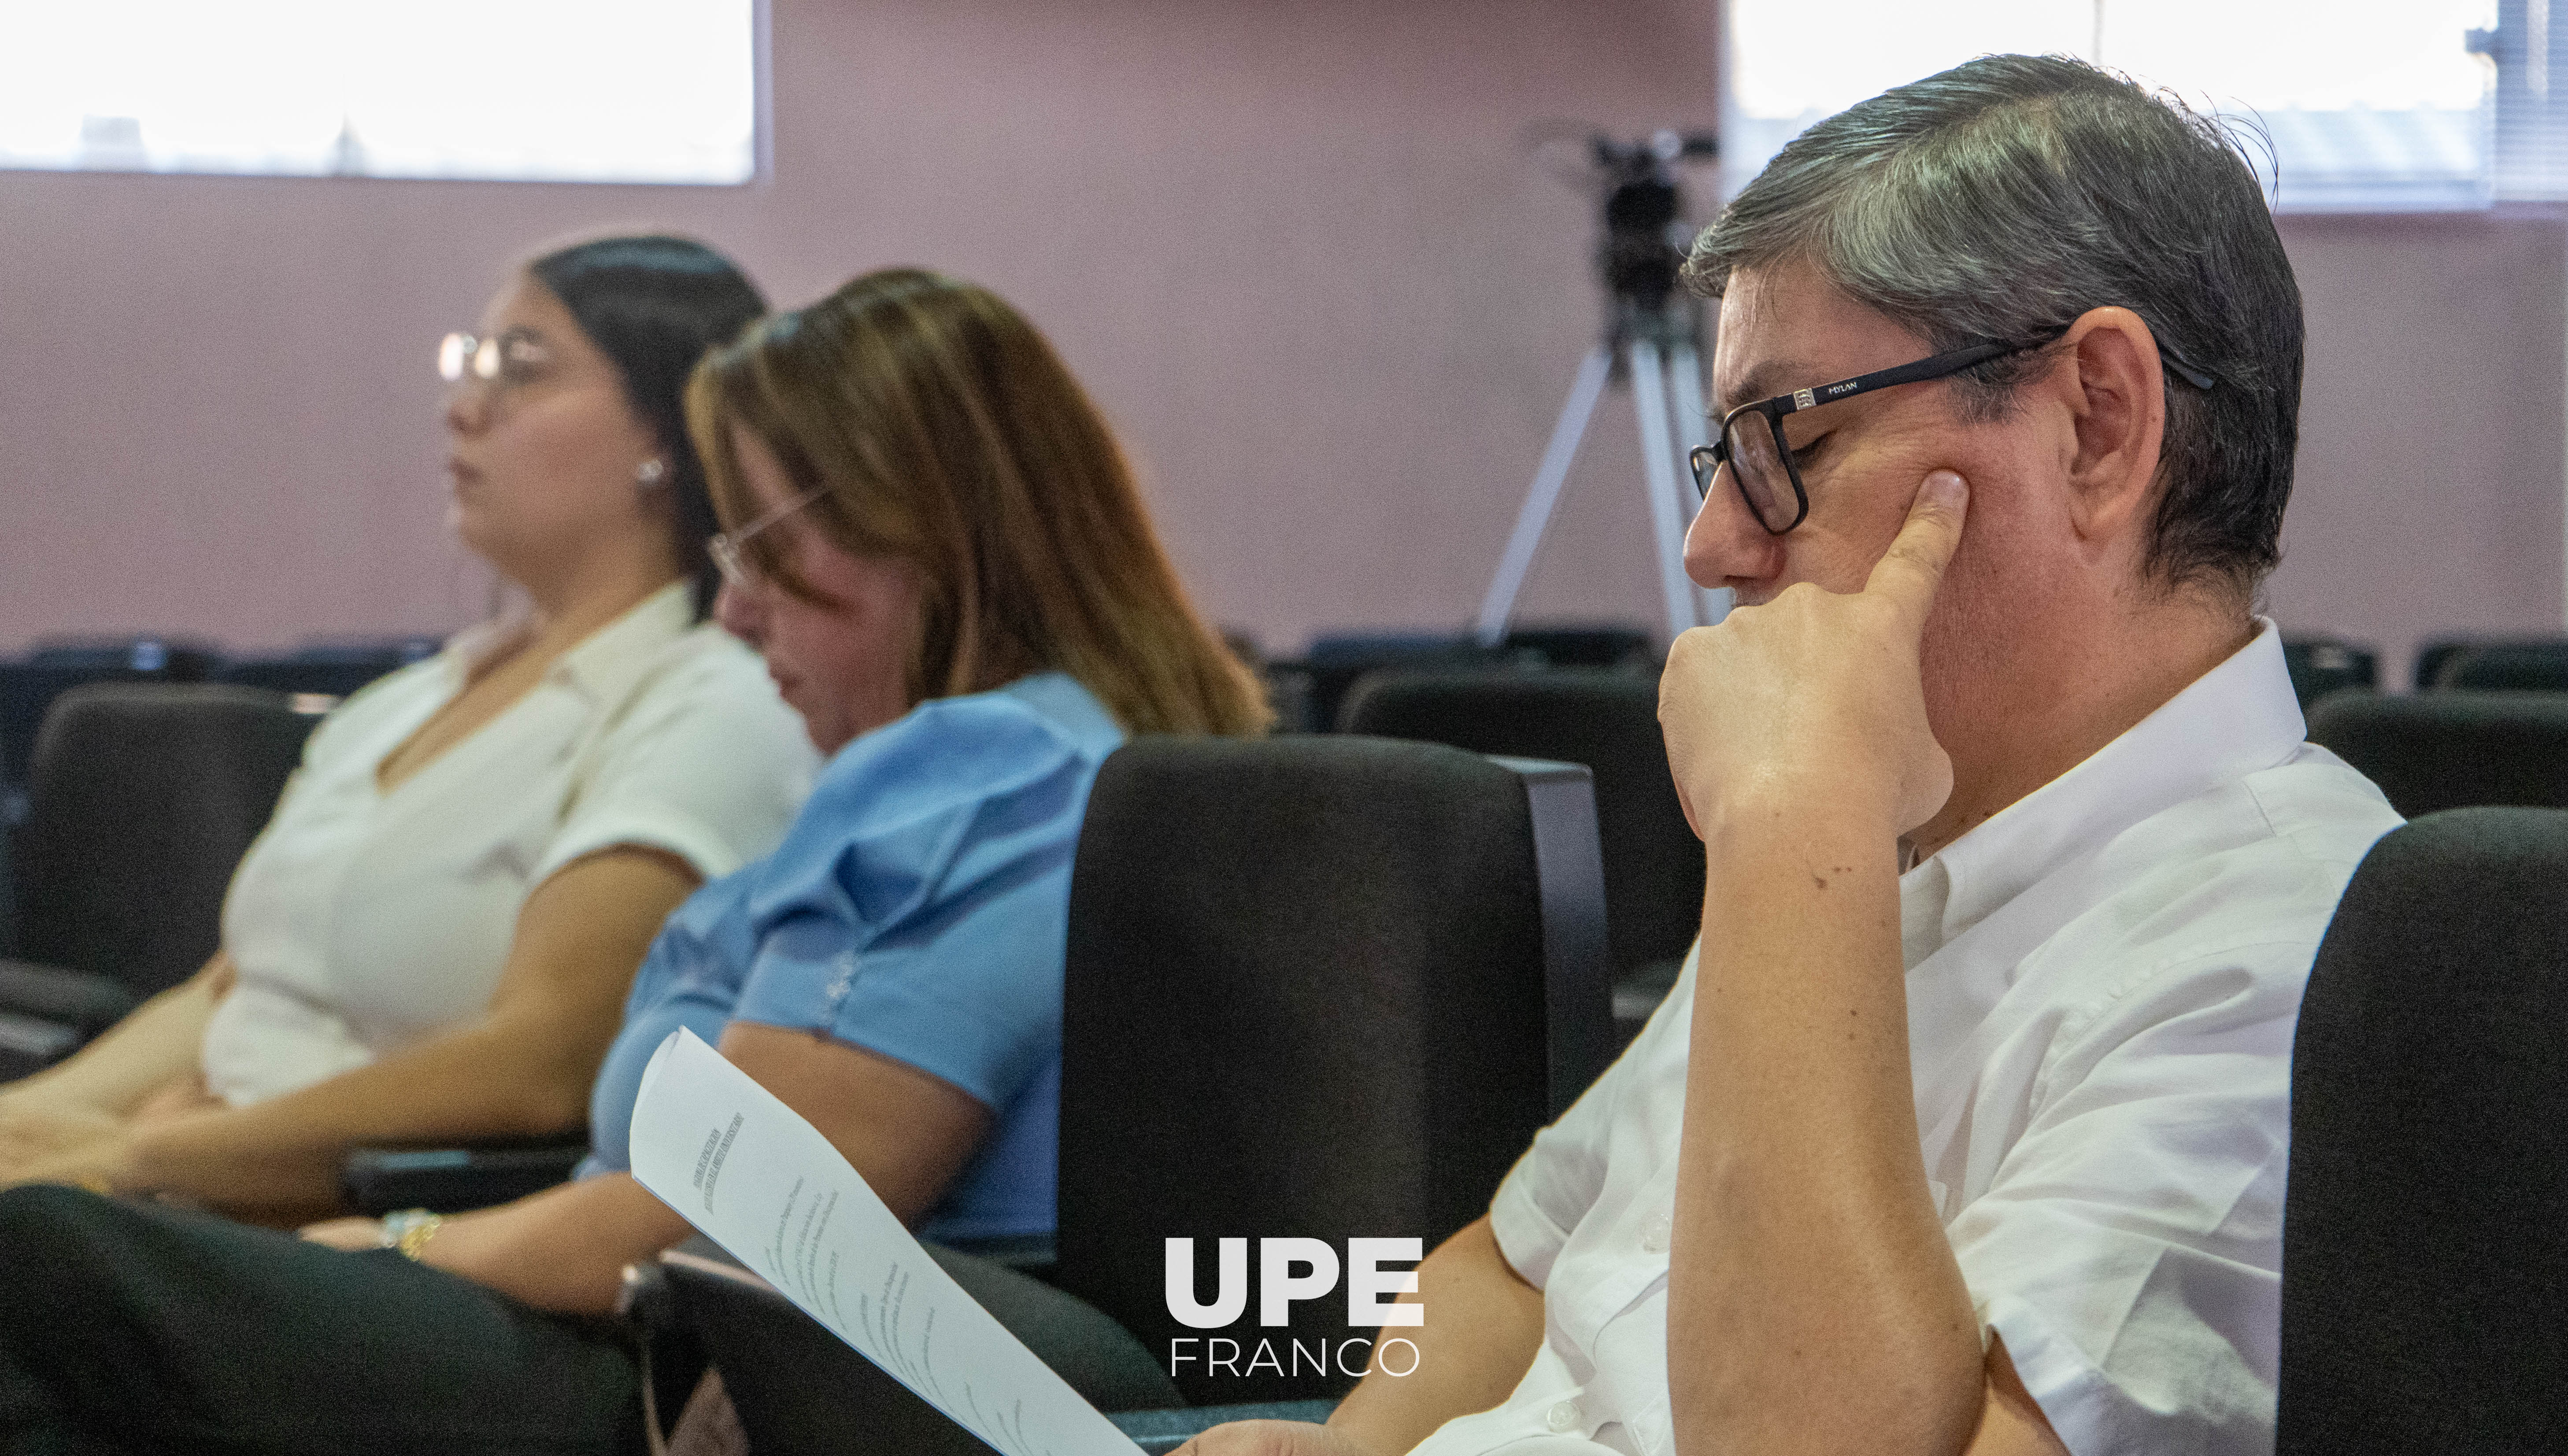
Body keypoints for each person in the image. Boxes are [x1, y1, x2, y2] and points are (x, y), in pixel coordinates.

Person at [1190, 55, 2398, 1456]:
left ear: (2096, 424)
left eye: (1787, 438)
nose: (1712, 547)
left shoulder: (2292, 968)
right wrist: (1343, 1450)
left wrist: (1791, 829)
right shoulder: (1881, 828)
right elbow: (1509, 1267)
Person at [0, 266, 1269, 1455]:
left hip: (664, 1362)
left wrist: (403, 1241)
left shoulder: (983, 769)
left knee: (45, 1254)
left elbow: (735, 1211)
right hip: (615, 1315)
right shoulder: (977, 762)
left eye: (766, 552)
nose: (733, 607)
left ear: (933, 540)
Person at [0, 235, 815, 1223]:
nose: (465, 407)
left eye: (521, 370)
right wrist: (34, 1122)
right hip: (194, 1188)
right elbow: (234, 990)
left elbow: (542, 1065)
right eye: (469, 364)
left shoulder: (706, 704)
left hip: (375, 1240)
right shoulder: (409, 702)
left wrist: (140, 1157)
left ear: (665, 426)